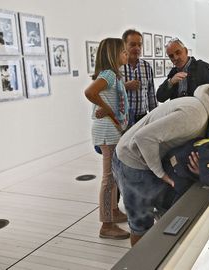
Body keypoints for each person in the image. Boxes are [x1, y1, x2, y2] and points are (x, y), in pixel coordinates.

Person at [112, 84, 209, 246]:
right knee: (142, 226)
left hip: (152, 159)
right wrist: (161, 174)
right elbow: (143, 138)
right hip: (133, 161)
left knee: (164, 214)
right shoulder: (195, 116)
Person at [84, 38, 130, 240]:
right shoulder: (109, 74)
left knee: (114, 175)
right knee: (109, 178)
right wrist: (109, 109)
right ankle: (106, 224)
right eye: (123, 52)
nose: (126, 55)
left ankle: (114, 211)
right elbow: (90, 92)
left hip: (112, 130)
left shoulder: (115, 76)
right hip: (107, 131)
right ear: (113, 54)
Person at [156, 38, 209, 102]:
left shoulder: (204, 68)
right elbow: (160, 98)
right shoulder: (173, 73)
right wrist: (171, 82)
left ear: (186, 51)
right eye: (171, 56)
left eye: (178, 53)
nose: (175, 58)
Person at [120, 29, 158, 127]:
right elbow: (108, 92)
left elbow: (151, 94)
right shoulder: (117, 66)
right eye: (132, 45)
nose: (137, 48)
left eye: (139, 45)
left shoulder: (146, 67)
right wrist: (124, 86)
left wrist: (155, 117)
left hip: (143, 118)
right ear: (124, 45)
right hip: (122, 118)